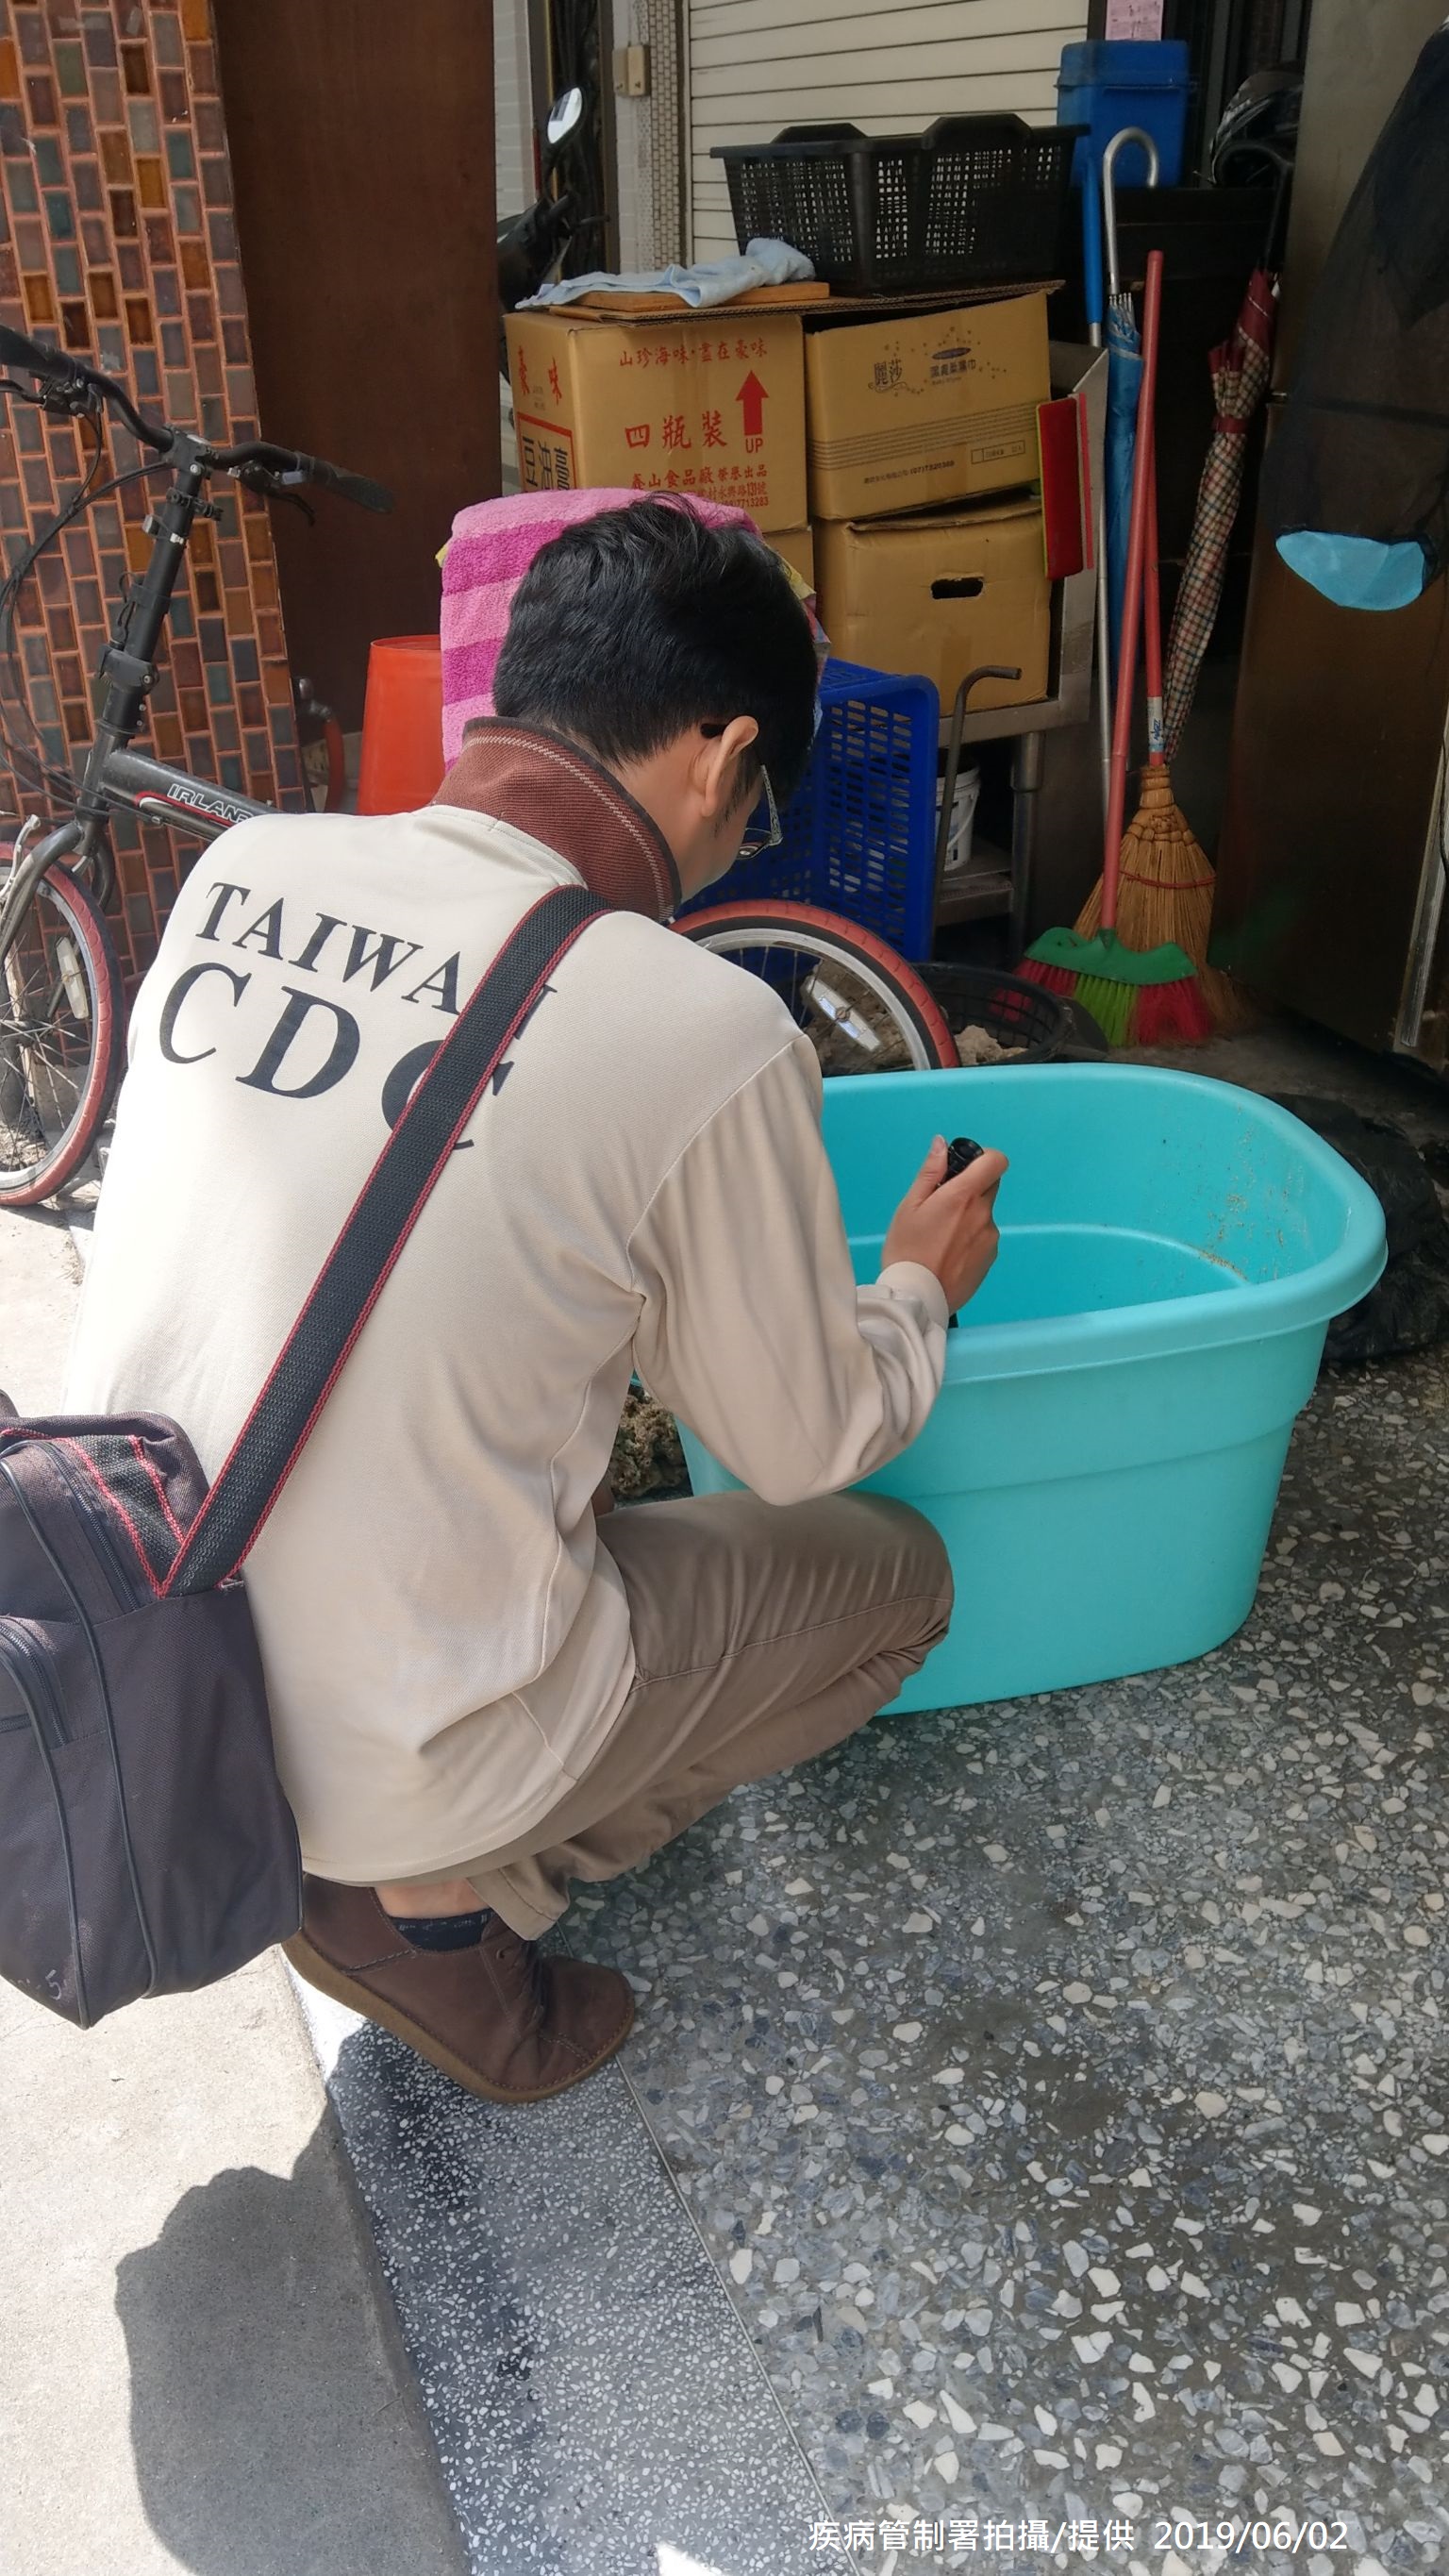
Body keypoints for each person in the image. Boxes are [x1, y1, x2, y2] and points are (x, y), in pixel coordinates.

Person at [65, 500, 1006, 2106]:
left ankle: (380, 1839)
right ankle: (444, 1899)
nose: (742, 843)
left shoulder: (245, 865)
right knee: (898, 1580)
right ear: (721, 756)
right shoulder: (703, 1028)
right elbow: (801, 1440)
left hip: (142, 1675)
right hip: (394, 1754)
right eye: (759, 808)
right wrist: (917, 1286)